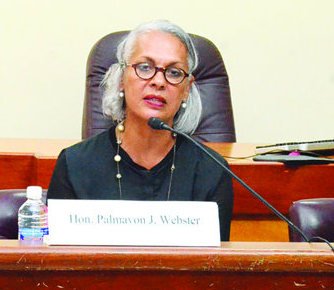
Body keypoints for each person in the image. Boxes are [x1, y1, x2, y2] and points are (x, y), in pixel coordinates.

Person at [47, 20, 233, 240]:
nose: (158, 81)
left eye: (174, 72)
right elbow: (59, 265)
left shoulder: (211, 171)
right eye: (145, 67)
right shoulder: (75, 164)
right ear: (121, 79)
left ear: (186, 90)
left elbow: (215, 269)